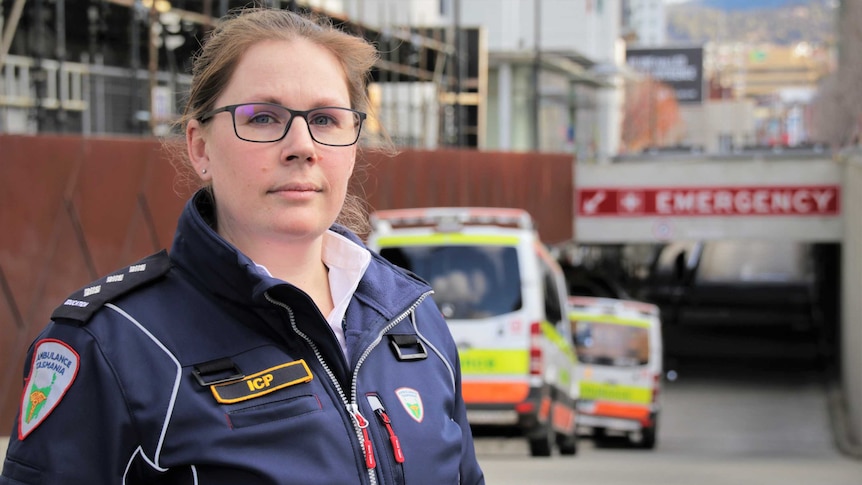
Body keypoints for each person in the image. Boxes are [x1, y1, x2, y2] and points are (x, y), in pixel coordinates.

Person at [0, 7, 484, 485]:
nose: (302, 145)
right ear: (200, 147)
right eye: (262, 118)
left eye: (327, 119)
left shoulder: (413, 321)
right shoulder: (111, 348)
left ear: (354, 144)